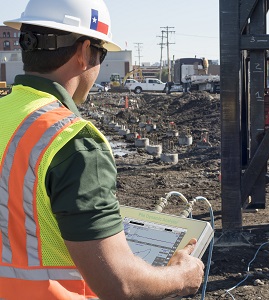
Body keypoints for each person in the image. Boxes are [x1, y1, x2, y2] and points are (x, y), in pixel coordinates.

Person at [0, 0, 204, 299]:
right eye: (101, 53)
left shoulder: (7, 112)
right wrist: (181, 276)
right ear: (84, 52)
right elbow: (120, 284)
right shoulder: (73, 142)